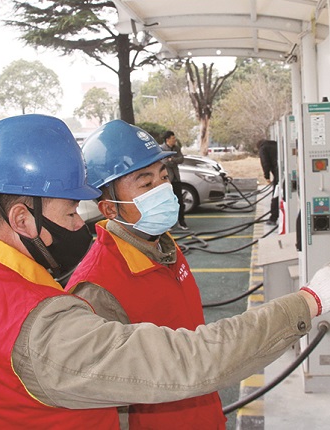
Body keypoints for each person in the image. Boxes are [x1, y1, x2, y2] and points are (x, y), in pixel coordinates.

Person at [0, 114, 330, 429]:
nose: (80, 225)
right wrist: (309, 301)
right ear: (23, 220)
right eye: (70, 213)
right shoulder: (46, 324)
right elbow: (188, 360)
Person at [67, 119, 225, 428]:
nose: (163, 189)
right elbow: (106, 395)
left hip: (204, 413)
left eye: (163, 177)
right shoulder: (96, 287)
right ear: (109, 209)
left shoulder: (164, 246)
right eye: (146, 184)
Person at [160, 129, 188, 229]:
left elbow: (181, 159)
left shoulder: (176, 148)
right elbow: (164, 162)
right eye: (173, 138)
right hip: (167, 180)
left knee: (180, 202)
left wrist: (172, 159)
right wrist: (173, 161)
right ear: (167, 139)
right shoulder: (161, 149)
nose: (175, 140)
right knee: (168, 202)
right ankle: (169, 224)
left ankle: (182, 222)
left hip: (176, 179)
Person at [258, 139, 279, 226]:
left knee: (276, 195)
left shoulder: (263, 148)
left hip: (278, 173)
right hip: (284, 171)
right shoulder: (277, 144)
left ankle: (273, 218)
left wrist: (267, 176)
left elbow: (265, 163)